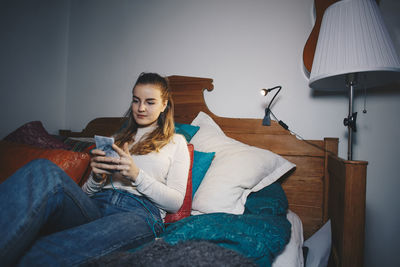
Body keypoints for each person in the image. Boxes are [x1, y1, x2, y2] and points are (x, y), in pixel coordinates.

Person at [0, 72, 190, 266]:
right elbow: (85, 194)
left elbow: (174, 202)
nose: (141, 108)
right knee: (43, 169)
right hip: (95, 206)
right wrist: (97, 178)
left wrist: (136, 175)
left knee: (55, 246)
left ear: (164, 105)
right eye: (136, 100)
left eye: (150, 102)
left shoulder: (176, 142)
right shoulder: (117, 138)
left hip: (138, 213)